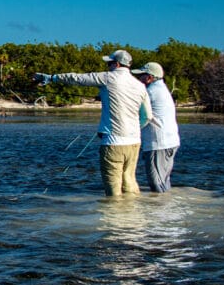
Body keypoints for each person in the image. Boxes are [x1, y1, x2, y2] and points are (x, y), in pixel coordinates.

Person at [36, 50, 152, 197]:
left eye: (109, 63)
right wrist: (133, 130)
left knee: (113, 189)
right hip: (135, 142)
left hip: (114, 142)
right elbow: (147, 116)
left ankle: (115, 217)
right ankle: (135, 216)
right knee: (129, 180)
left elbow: (77, 78)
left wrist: (52, 78)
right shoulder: (139, 85)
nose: (108, 66)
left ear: (116, 64)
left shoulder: (108, 78)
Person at [131, 61, 180, 192]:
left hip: (158, 143)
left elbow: (131, 105)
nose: (139, 78)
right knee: (164, 180)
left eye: (141, 75)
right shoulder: (162, 89)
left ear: (149, 77)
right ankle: (166, 209)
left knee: (156, 183)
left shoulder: (150, 92)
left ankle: (159, 210)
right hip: (170, 141)